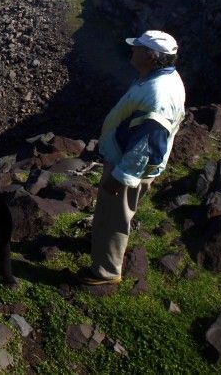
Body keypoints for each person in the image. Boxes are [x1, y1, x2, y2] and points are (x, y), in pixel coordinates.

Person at [79, 30, 186, 286]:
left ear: (150, 55)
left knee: (115, 215)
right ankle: (102, 246)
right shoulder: (159, 77)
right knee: (113, 213)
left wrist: (121, 178)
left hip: (128, 166)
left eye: (137, 48)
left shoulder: (159, 95)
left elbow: (147, 144)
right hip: (125, 156)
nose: (132, 51)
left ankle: (106, 271)